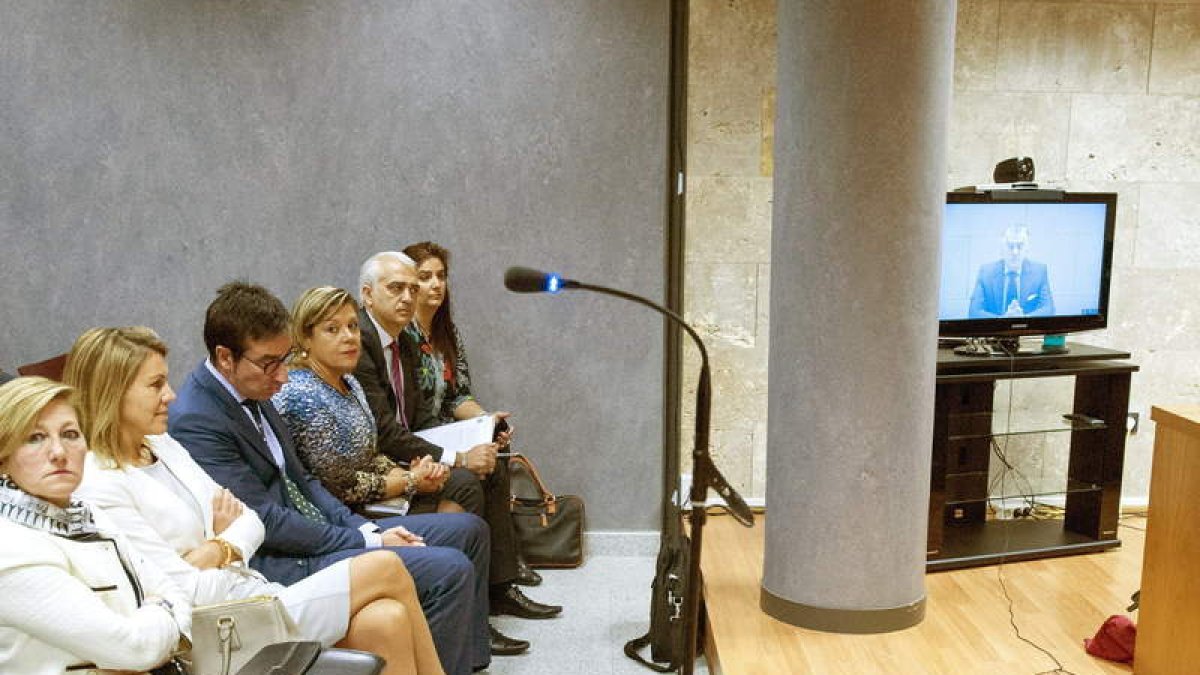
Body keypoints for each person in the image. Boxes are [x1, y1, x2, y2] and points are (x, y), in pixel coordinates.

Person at [68, 327, 443, 675]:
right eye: (155, 385)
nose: (171, 395)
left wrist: (216, 549)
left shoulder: (162, 445)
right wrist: (229, 545)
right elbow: (183, 591)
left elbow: (251, 521)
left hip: (252, 592)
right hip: (214, 631)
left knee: (386, 618)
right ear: (112, 393)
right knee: (385, 566)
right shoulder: (100, 483)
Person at [168, 281, 489, 675]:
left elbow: (305, 483)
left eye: (284, 359)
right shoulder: (197, 418)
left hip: (323, 529)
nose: (283, 375)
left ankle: (467, 664)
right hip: (282, 558)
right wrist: (362, 538)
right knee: (448, 569)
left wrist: (366, 528)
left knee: (468, 530)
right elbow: (264, 521)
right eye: (270, 363)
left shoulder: (254, 388)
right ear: (225, 357)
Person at [354, 251, 561, 623]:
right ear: (368, 295)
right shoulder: (362, 342)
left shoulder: (407, 339)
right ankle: (469, 607)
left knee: (494, 461)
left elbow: (430, 408)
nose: (408, 296)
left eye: (412, 288)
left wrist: (481, 428)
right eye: (398, 288)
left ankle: (498, 588)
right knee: (465, 479)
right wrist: (458, 456)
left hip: (412, 441)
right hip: (382, 457)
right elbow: (385, 431)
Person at [0, 376, 190, 674]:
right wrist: (161, 613)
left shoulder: (89, 514)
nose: (59, 452)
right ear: (3, 457)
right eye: (35, 438)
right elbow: (133, 649)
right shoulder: (9, 548)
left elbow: (174, 590)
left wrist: (150, 630)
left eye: (70, 434)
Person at [401, 242, 542, 586]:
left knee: (496, 454)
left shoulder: (447, 333)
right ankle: (492, 579)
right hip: (419, 440)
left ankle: (502, 576)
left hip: (444, 429)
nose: (435, 284)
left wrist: (487, 423)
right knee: (475, 473)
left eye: (441, 276)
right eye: (425, 277)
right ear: (408, 283)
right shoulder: (400, 337)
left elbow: (457, 395)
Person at [968, 224, 1055, 318]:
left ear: (1027, 249)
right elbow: (974, 312)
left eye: (1020, 246)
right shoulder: (986, 272)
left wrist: (1024, 319)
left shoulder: (1039, 271)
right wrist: (1002, 320)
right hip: (997, 331)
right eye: (1010, 246)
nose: (1015, 252)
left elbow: (1049, 309)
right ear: (1002, 248)